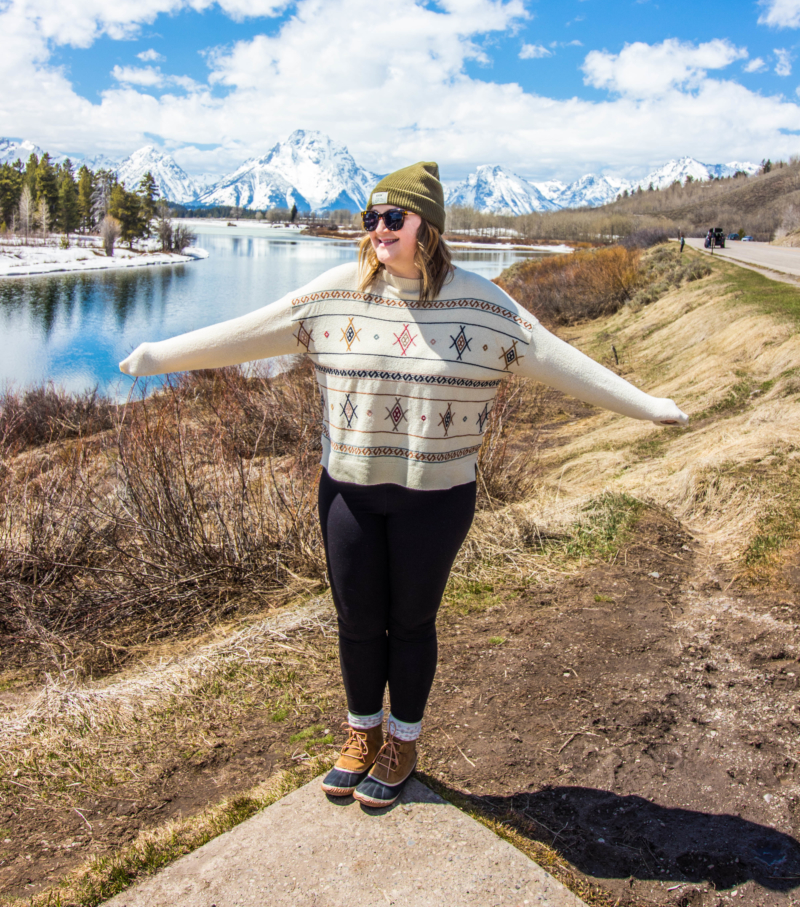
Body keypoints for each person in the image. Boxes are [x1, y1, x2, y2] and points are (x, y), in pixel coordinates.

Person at [119, 161, 688, 809]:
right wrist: (159, 356)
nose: (378, 230)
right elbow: (249, 331)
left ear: (429, 227)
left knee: (411, 623)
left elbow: (561, 360)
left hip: (437, 499)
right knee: (358, 622)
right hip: (349, 494)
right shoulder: (338, 293)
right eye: (371, 219)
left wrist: (644, 405)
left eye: (394, 218)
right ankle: (362, 734)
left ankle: (403, 742)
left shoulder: (482, 303)